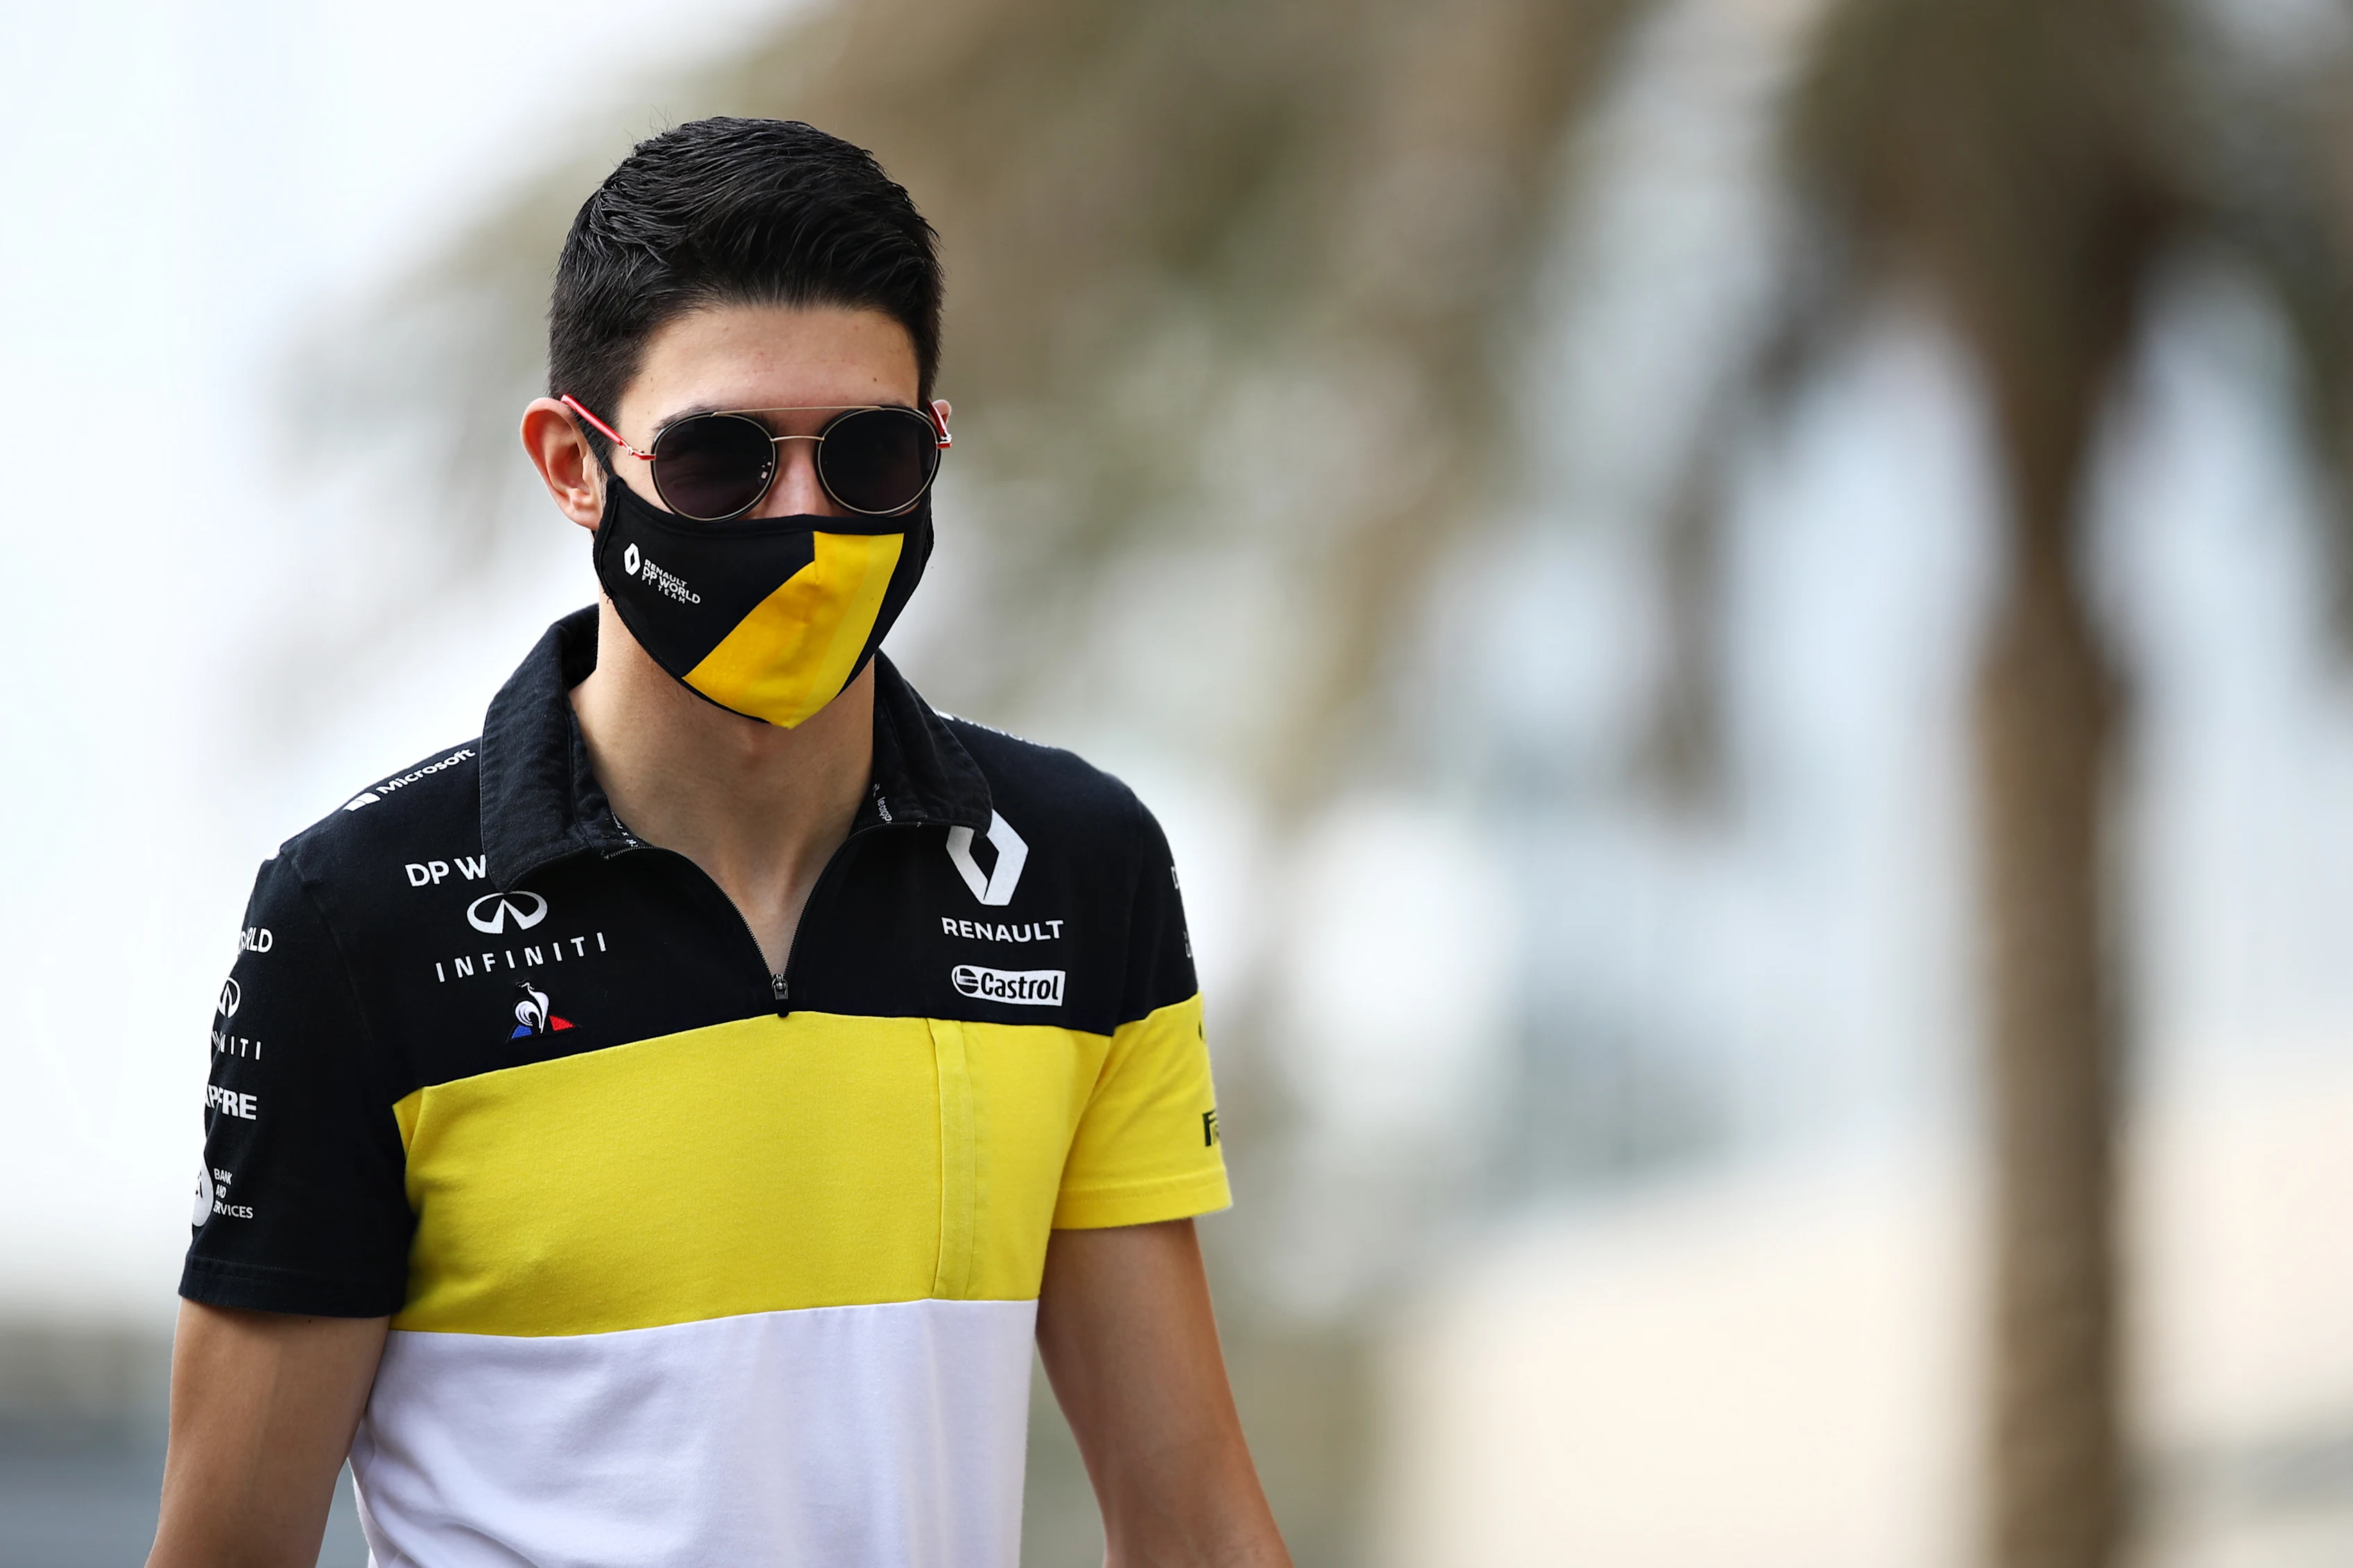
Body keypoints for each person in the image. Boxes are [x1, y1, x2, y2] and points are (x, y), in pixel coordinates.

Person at [148, 117, 1287, 1568]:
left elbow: (1192, 1526)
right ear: (575, 462)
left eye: (869, 455)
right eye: (718, 461)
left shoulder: (1078, 870)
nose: (802, 514)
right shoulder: (354, 917)